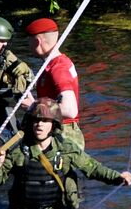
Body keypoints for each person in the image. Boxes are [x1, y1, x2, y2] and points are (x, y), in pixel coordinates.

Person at [0, 99, 131, 209]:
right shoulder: (18, 150)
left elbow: (93, 168)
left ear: (54, 124)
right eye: (36, 120)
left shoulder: (66, 149)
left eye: (45, 121)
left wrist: (118, 178)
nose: (40, 125)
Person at [22, 16, 85, 150]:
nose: (28, 45)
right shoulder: (54, 64)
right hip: (56, 131)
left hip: (64, 136)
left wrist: (33, 107)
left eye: (29, 41)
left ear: (38, 41)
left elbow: (70, 110)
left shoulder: (58, 69)